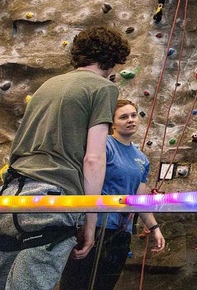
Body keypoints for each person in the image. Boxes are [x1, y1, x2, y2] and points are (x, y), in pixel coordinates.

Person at [0, 26, 130, 290]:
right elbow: (94, 158)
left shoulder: (49, 86)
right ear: (112, 58)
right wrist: (90, 221)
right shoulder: (103, 88)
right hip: (52, 201)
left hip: (12, 197)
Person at [59, 99, 166, 290]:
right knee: (77, 283)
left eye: (133, 115)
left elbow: (139, 199)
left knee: (105, 284)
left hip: (121, 232)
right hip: (95, 225)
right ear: (112, 123)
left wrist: (154, 227)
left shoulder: (141, 158)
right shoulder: (103, 146)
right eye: (123, 117)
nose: (131, 120)